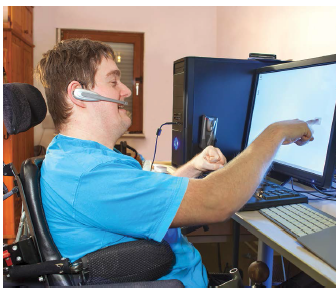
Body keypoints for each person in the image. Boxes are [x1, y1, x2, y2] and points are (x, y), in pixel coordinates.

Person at [36, 39, 317, 288]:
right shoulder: (90, 175)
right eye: (113, 81)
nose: (125, 91)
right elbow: (218, 201)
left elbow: (142, 203)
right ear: (79, 94)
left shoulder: (71, 157)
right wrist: (275, 133)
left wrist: (194, 166)